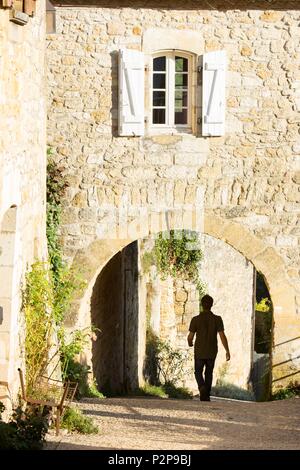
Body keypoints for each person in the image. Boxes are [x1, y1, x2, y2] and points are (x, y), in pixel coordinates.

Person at [187, 294, 230, 401]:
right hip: (211, 351)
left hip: (199, 351)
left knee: (198, 371)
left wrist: (190, 343)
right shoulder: (217, 319)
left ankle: (202, 387)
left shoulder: (195, 319)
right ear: (211, 305)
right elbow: (222, 336)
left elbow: (190, 336)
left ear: (201, 305)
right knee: (209, 372)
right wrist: (227, 350)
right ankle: (206, 395)